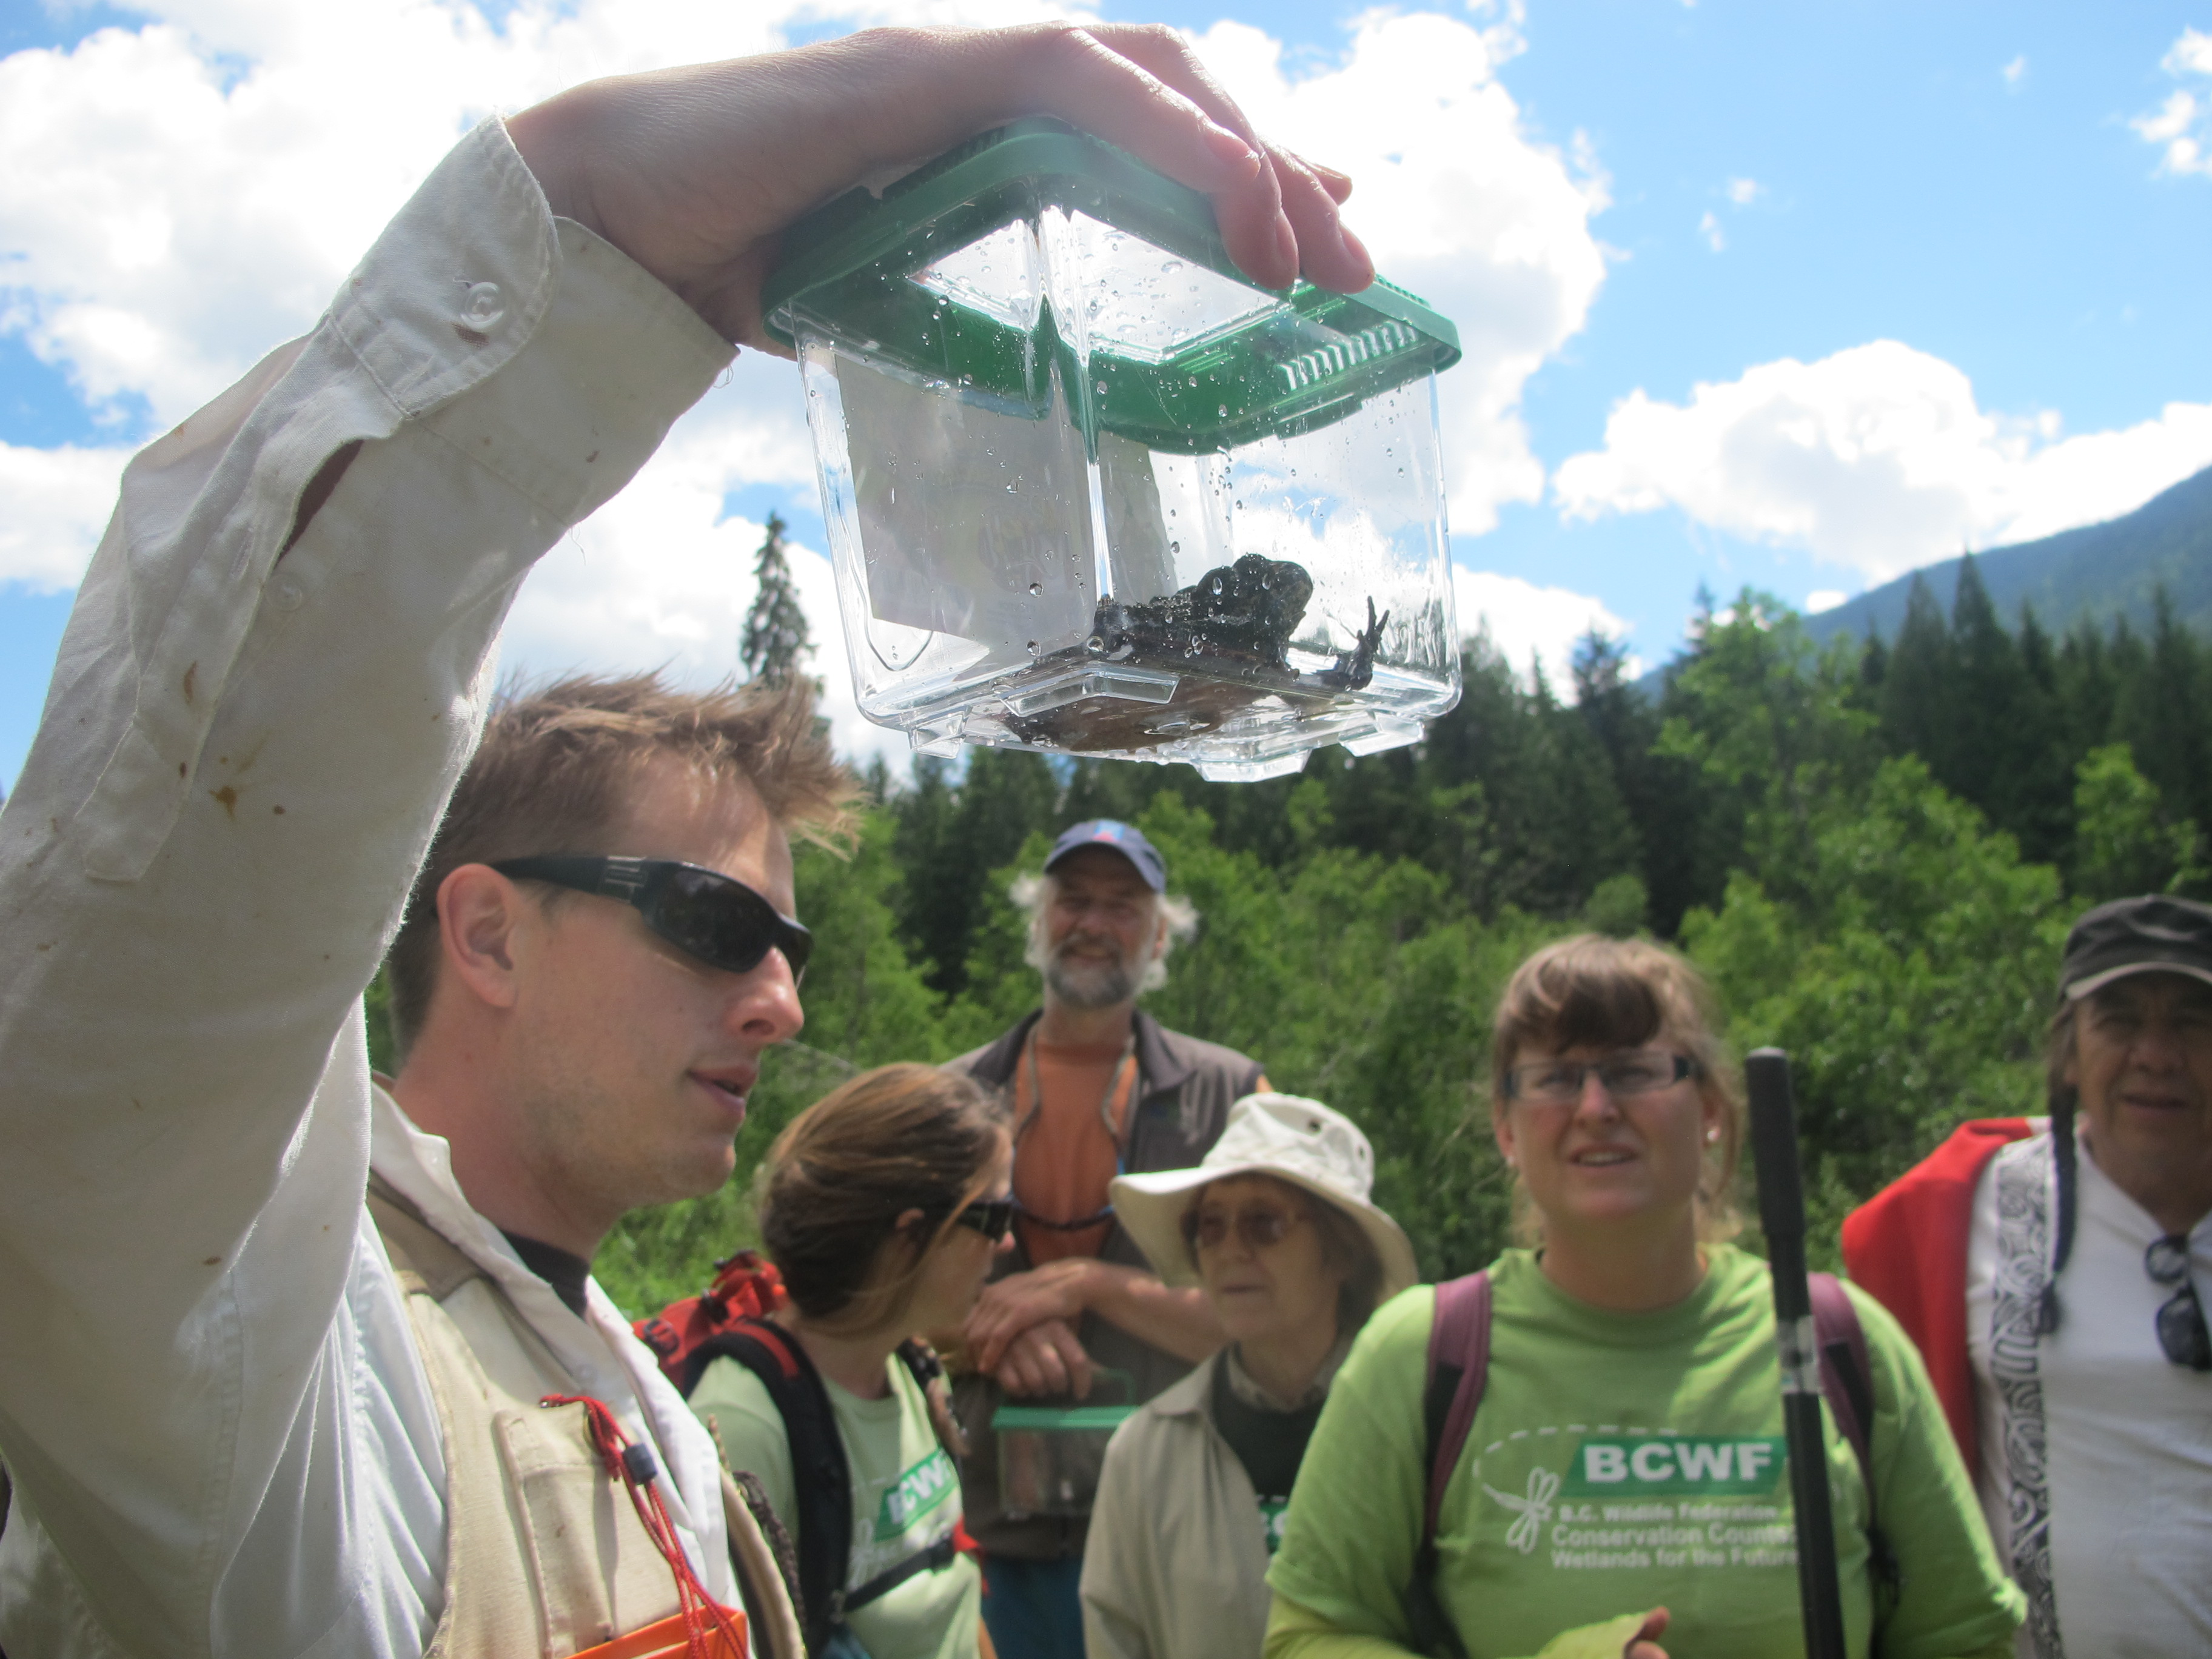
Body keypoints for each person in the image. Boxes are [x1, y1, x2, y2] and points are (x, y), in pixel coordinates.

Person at [0, 24, 1368, 1656]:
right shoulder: (274, 1376)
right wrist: (590, 237)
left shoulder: (635, 1391)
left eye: (785, 949)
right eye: (715, 926)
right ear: (488, 929)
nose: (787, 1007)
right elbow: (145, 942)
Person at [1264, 934, 2025, 1659]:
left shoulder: (1841, 1343)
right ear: (1504, 1126)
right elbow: (1307, 1636)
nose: (1596, 1107)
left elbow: (1965, 1636)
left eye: (1634, 1071)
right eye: (1557, 1078)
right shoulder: (1421, 1358)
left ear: (1714, 1113)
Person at [1842, 894, 2212, 1658]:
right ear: (2068, 1052)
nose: (2157, 1054)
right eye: (2117, 1021)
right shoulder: (1962, 1211)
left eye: (2192, 1020)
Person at [945, 819, 1270, 1658]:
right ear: (1037, 919)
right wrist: (987, 1337)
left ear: (1160, 936)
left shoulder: (1232, 1096)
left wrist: (1090, 1284)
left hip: (1179, 1534)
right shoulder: (950, 1099)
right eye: (1073, 900)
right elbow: (880, 1312)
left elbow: (1274, 1321)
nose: (1093, 923)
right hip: (986, 1539)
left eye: (1122, 906)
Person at [688, 1065, 1010, 1659]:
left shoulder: (911, 1369)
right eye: (994, 1218)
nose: (1008, 1243)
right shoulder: (745, 1427)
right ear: (909, 1237)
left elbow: (952, 1593)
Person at [1081, 1093, 1417, 1659]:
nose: (1230, 1249)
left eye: (1264, 1223)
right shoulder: (1145, 1455)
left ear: (1340, 1254)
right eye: (1209, 1226)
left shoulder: (1421, 1428)